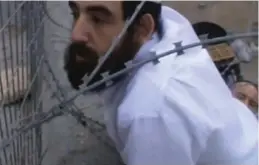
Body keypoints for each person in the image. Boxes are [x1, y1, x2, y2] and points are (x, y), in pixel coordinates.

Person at [64, 1, 258, 165]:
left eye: (98, 19)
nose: (76, 34)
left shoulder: (150, 111)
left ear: (143, 28)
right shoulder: (163, 23)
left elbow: (151, 114)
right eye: (75, 13)